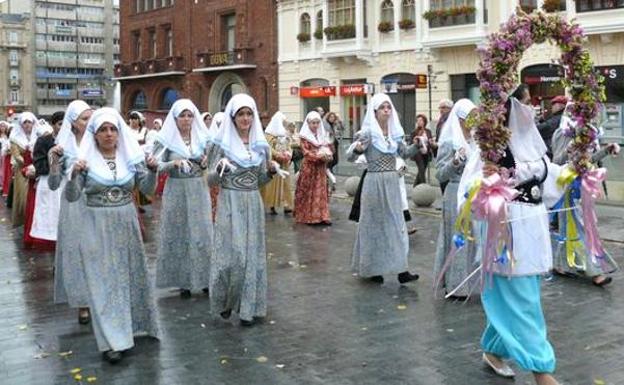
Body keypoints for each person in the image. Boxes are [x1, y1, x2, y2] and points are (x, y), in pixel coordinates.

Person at [458, 85, 565, 385]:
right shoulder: (491, 148)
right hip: (507, 233)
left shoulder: (529, 143)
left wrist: (570, 173)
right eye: (526, 103)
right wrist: (488, 187)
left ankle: (493, 350)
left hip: (533, 229)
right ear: (511, 107)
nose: (532, 109)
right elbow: (470, 190)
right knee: (523, 301)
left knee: (522, 293)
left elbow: (547, 176)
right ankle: (542, 371)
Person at [64, 107, 160, 363]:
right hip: (96, 226)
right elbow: (72, 196)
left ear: (119, 133)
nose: (108, 134)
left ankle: (131, 328)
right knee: (103, 282)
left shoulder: (130, 157)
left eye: (113, 129)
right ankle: (111, 342)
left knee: (128, 277)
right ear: (94, 134)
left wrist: (152, 171)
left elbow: (147, 190)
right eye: (103, 130)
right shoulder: (85, 162)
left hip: (127, 224)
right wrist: (73, 174)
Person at [208, 94, 276, 326]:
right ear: (233, 117)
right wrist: (220, 170)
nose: (245, 118)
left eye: (249, 114)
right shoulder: (221, 144)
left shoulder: (261, 145)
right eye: (241, 114)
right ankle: (226, 301)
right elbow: (209, 180)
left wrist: (271, 172)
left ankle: (248, 307)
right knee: (233, 256)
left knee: (251, 258)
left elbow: (259, 180)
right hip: (230, 203)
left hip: (252, 204)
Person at [347, 93, 420, 285]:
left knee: (397, 226)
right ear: (375, 111)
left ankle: (401, 270)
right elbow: (349, 156)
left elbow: (405, 153)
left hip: (392, 182)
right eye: (382, 108)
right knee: (373, 225)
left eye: (389, 107)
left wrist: (417, 145)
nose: (386, 111)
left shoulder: (395, 132)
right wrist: (358, 150)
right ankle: (373, 269)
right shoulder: (368, 133)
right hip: (373, 183)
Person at [550, 102, 620, 286]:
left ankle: (560, 264)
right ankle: (595, 271)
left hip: (584, 187)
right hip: (568, 187)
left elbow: (590, 160)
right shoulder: (562, 133)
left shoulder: (586, 134)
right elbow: (557, 160)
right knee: (581, 227)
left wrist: (606, 150)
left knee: (574, 227)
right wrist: (574, 147)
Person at [153, 99, 213, 298]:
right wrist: (174, 164)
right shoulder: (165, 139)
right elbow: (155, 165)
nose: (186, 120)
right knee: (180, 232)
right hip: (177, 189)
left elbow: (212, 163)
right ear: (175, 118)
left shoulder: (202, 137)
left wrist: (205, 163)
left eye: (190, 116)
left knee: (202, 232)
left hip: (198, 188)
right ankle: (183, 280)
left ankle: (205, 278)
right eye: (182, 116)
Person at [48, 100, 93, 324]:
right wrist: (54, 163)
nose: (90, 122)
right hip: (73, 205)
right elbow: (55, 184)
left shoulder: (99, 141)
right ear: (73, 123)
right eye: (85, 119)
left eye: (90, 117)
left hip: (96, 202)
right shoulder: (62, 148)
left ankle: (98, 298)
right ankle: (82, 302)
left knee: (96, 251)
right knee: (77, 252)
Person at [433, 99, 479, 299]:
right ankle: (455, 283)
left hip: (474, 194)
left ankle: (472, 281)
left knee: (474, 238)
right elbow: (440, 174)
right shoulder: (450, 142)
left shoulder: (476, 141)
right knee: (457, 237)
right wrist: (455, 161)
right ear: (460, 119)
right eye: (470, 117)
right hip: (454, 193)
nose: (474, 121)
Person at [27, 114, 65, 250]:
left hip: (65, 182)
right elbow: (39, 165)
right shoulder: (43, 141)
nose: (62, 127)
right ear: (53, 125)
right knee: (50, 211)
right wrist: (53, 159)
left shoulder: (71, 140)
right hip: (49, 182)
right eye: (60, 124)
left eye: (65, 124)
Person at [294, 111, 333, 225]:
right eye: (313, 123)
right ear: (308, 123)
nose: (315, 125)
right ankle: (308, 217)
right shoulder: (304, 137)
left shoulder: (322, 135)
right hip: (309, 168)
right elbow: (306, 153)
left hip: (320, 169)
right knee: (308, 192)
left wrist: (328, 155)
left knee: (321, 192)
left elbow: (327, 147)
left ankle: (322, 216)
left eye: (317, 123)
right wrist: (319, 156)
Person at [261, 111, 294, 215]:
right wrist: (277, 155)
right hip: (274, 163)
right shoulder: (269, 134)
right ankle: (271, 204)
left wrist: (288, 154)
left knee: (286, 184)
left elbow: (289, 145)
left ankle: (287, 204)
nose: (284, 124)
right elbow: (268, 148)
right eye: (282, 122)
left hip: (283, 163)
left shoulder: (284, 133)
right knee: (272, 185)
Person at [9, 112, 38, 227]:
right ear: (21, 124)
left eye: (29, 122)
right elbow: (16, 155)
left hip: (36, 169)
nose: (27, 125)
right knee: (23, 196)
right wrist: (27, 163)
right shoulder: (14, 138)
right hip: (22, 170)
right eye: (24, 122)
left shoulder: (38, 136)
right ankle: (24, 220)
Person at [207, 112, 225, 221]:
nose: (220, 126)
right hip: (212, 175)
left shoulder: (229, 139)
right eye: (218, 123)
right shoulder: (209, 139)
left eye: (222, 123)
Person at [435, 99, 454, 193]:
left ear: (450, 109)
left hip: (450, 155)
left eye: (443, 108)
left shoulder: (454, 121)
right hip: (441, 153)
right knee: (442, 180)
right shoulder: (441, 121)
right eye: (440, 108)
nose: (441, 110)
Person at [410, 114, 434, 186]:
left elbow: (430, 141)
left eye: (421, 120)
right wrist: (414, 142)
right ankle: (424, 187)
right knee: (421, 169)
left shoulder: (428, 131)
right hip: (418, 153)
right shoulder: (414, 132)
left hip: (426, 153)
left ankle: (415, 186)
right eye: (418, 121)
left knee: (422, 171)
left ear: (424, 122)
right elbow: (411, 143)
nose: (419, 122)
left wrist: (431, 142)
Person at [0, 121, 10, 198]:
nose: (2, 128)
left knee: (3, 170)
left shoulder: (8, 136)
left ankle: (2, 185)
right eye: (1, 126)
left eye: (4, 126)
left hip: (4, 155)